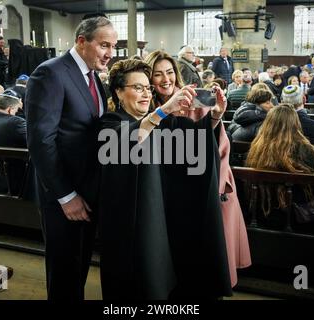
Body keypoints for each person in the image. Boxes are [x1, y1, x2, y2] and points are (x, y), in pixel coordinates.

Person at [99, 58, 231, 300]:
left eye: (147, 88)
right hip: (129, 229)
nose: (146, 94)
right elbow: (126, 140)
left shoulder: (159, 122)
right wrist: (163, 110)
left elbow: (193, 144)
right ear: (118, 91)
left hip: (159, 221)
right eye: (137, 88)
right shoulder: (110, 123)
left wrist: (214, 116)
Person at [25, 16, 117, 301]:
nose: (110, 53)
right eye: (104, 45)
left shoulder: (92, 78)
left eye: (112, 46)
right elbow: (41, 141)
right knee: (65, 273)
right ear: (81, 41)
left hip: (88, 190)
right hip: (64, 195)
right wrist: (66, 196)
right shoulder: (50, 72)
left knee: (78, 268)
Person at [144, 50, 251, 289]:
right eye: (157, 74)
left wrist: (216, 116)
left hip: (204, 188)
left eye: (170, 72)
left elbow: (218, 144)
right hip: (168, 195)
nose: (165, 79)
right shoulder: (148, 106)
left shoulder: (196, 99)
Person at [245, 104, 314, 232]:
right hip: (297, 216)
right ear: (295, 123)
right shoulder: (306, 149)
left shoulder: (257, 148)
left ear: (269, 123)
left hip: (262, 212)